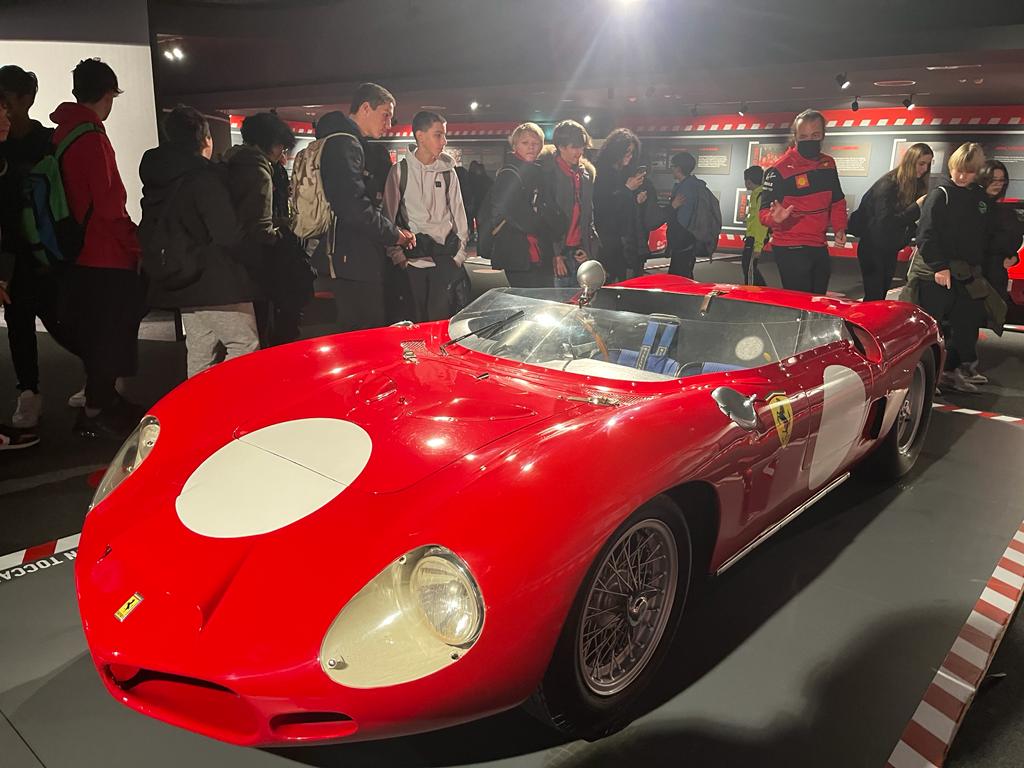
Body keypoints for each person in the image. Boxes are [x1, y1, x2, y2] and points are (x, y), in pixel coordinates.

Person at [51, 58, 144, 439]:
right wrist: (135, 245)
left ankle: (102, 403)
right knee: (110, 334)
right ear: (107, 94)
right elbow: (109, 206)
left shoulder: (61, 135)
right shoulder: (92, 137)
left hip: (75, 252)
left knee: (95, 334)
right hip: (105, 254)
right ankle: (97, 410)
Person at [139, 106, 259, 378]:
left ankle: (200, 404)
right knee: (244, 345)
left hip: (182, 278)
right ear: (204, 138)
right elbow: (228, 234)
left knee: (200, 351)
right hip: (216, 281)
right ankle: (231, 403)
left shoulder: (158, 177)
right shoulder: (204, 177)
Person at [903, 143, 1002, 393]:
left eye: (969, 172)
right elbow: (926, 234)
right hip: (937, 273)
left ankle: (950, 372)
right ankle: (924, 376)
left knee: (964, 327)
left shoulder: (978, 197)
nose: (962, 176)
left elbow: (984, 233)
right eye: (958, 170)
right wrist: (939, 266)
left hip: (967, 273)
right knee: (931, 327)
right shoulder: (940, 194)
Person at [315, 83, 415, 332]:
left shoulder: (342, 141)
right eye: (385, 114)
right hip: (353, 256)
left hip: (347, 254)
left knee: (358, 328)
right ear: (365, 108)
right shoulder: (345, 144)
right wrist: (394, 234)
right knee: (362, 330)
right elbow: (354, 207)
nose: (388, 123)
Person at [0, 65, 60, 429]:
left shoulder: (48, 141)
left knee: (64, 319)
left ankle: (99, 382)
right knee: (18, 321)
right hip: (12, 250)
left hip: (50, 248)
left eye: (7, 99)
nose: (3, 108)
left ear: (27, 99)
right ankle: (28, 392)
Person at [224, 111, 302, 347]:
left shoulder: (231, 163)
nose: (281, 153)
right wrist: (283, 234)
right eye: (280, 146)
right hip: (255, 262)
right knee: (259, 330)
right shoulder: (258, 172)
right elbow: (260, 228)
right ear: (270, 142)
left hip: (232, 258)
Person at [382, 111, 469, 322]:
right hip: (413, 261)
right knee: (414, 322)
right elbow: (388, 217)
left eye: (444, 135)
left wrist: (458, 256)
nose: (444, 141)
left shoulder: (448, 172)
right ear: (420, 136)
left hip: (444, 260)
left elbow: (459, 214)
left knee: (442, 323)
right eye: (438, 135)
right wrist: (398, 257)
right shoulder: (400, 171)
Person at [760, 109, 847, 294]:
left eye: (815, 135)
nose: (810, 140)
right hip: (789, 244)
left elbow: (837, 200)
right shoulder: (778, 170)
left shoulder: (829, 164)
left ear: (823, 135)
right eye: (804, 136)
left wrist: (840, 227)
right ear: (795, 137)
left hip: (819, 243)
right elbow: (763, 212)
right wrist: (774, 219)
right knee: (800, 300)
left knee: (818, 298)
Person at [856, 143, 932, 301]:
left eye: (928, 164)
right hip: (873, 246)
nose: (924, 168)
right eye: (921, 163)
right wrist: (916, 207)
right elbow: (886, 222)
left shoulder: (913, 184)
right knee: (875, 296)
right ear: (911, 161)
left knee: (879, 296)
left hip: (888, 247)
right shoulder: (888, 184)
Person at [488, 122, 556, 288]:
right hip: (518, 252)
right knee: (526, 297)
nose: (531, 147)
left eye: (535, 143)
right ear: (515, 146)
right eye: (525, 143)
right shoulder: (509, 173)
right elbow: (514, 212)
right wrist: (545, 224)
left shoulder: (539, 171)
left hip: (537, 250)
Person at [539, 120, 597, 288]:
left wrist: (587, 249)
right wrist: (556, 254)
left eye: (582, 147)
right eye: (575, 147)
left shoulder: (585, 174)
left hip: (579, 253)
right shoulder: (548, 174)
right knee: (559, 302)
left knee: (582, 301)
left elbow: (588, 216)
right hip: (558, 255)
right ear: (561, 147)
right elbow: (546, 217)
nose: (579, 152)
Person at [594, 128, 645, 283]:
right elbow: (603, 209)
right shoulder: (601, 173)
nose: (630, 156)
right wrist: (627, 190)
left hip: (623, 242)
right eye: (626, 151)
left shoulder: (624, 172)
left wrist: (635, 199)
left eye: (632, 152)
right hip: (607, 241)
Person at [978, 160, 1021, 301]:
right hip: (977, 272)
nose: (997, 184)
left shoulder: (1006, 211)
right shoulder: (974, 207)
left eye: (1001, 180)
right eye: (993, 180)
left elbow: (1013, 239)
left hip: (997, 273)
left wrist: (1013, 256)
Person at [664, 151, 704, 279]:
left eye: (672, 166)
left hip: (683, 241)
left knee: (679, 277)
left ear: (678, 168)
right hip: (687, 240)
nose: (671, 169)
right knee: (683, 274)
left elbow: (682, 219)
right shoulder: (692, 185)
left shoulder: (685, 189)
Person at [741, 166, 769, 286]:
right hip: (752, 238)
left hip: (755, 239)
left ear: (748, 181)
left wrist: (758, 246)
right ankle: (761, 291)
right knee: (748, 266)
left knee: (749, 268)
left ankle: (753, 293)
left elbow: (760, 224)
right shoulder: (757, 194)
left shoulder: (760, 196)